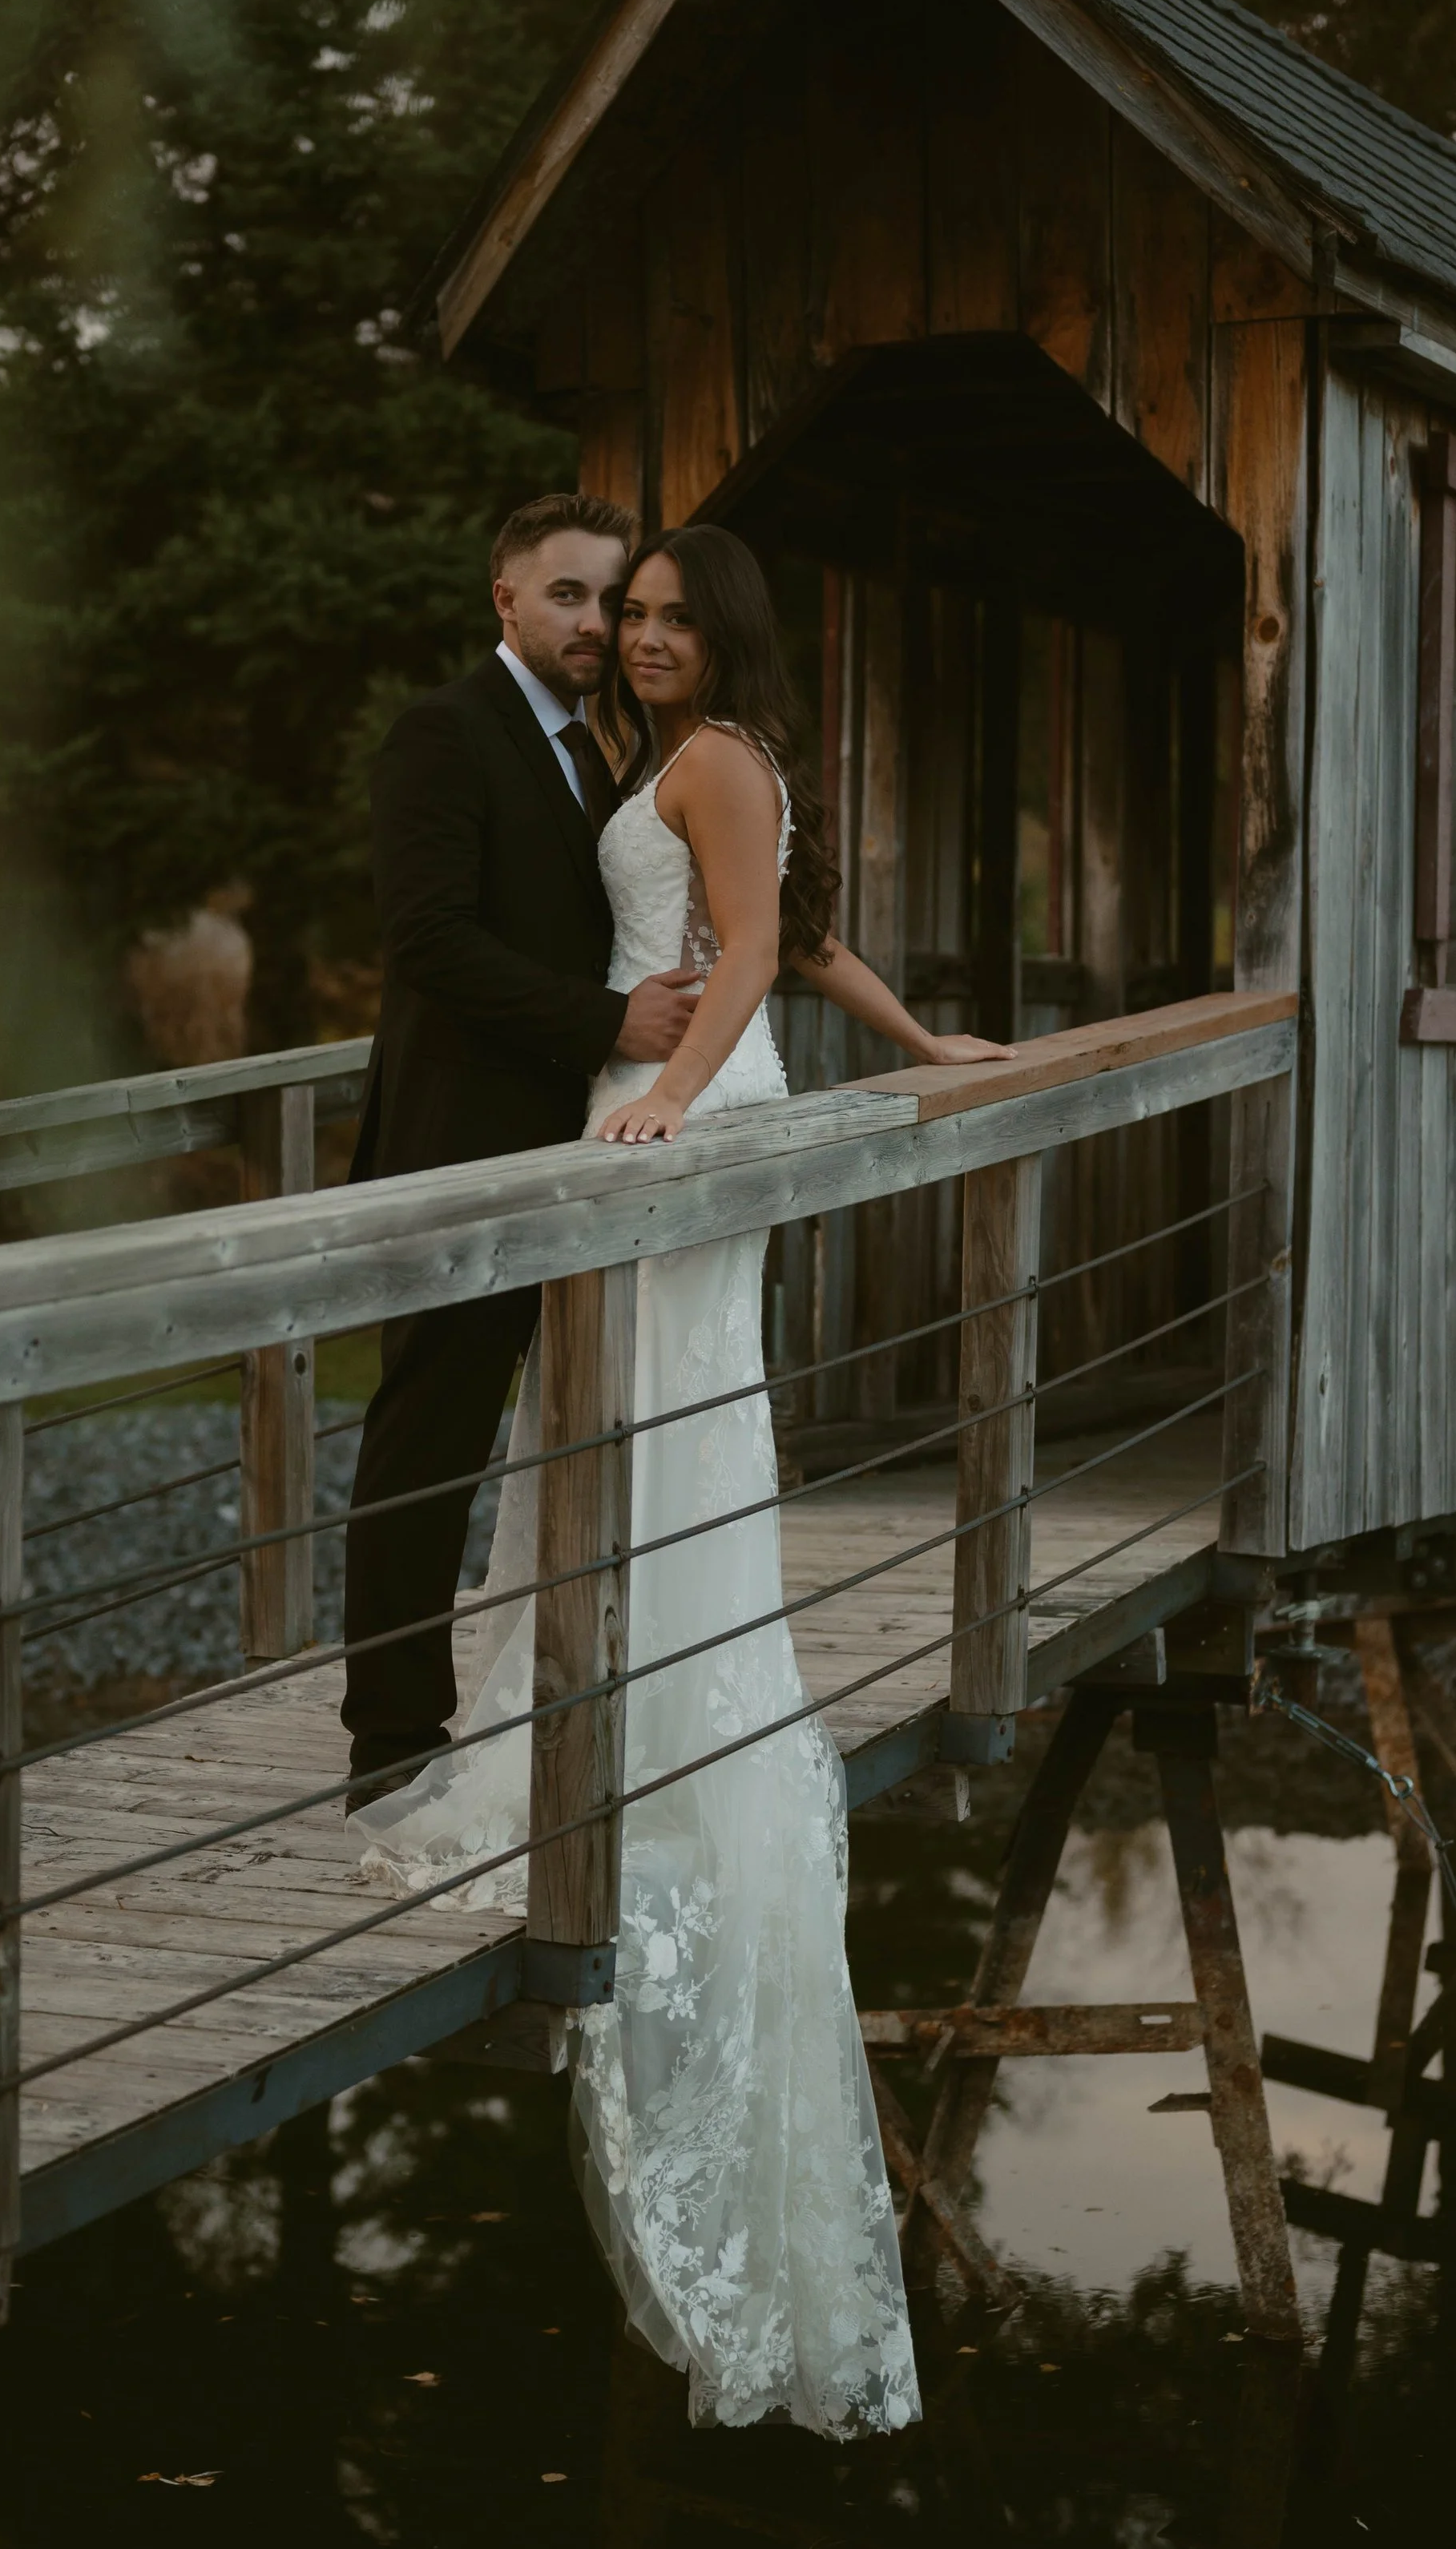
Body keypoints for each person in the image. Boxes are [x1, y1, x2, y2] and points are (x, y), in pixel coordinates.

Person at [354, 524, 1013, 2439]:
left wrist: (662, 1089)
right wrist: (909, 1033)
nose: (632, 635)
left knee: (650, 1419)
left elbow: (738, 957)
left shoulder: (709, 757)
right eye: (612, 610)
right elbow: (786, 933)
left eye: (657, 614)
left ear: (717, 629)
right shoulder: (670, 754)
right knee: (627, 1425)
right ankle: (598, 1701)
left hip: (672, 1114)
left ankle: (647, 1722)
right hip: (634, 1097)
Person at [341, 494, 701, 1801]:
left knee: (559, 1431)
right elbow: (428, 940)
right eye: (570, 595)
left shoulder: (591, 752)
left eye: (613, 600)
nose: (597, 623)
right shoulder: (445, 733)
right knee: (430, 1437)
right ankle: (391, 1742)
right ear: (506, 598)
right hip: (461, 1148)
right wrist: (608, 1023)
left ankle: (557, 1698)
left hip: (572, 1147)